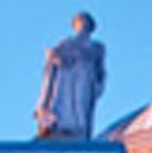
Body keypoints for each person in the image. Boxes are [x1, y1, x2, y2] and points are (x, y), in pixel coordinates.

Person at [35, 11, 106, 140]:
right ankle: (63, 128)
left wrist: (98, 83)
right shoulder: (66, 43)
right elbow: (55, 64)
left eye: (85, 23)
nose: (83, 26)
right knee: (66, 105)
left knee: (81, 107)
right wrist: (54, 57)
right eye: (80, 23)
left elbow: (100, 70)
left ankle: (79, 130)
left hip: (85, 79)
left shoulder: (97, 47)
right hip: (67, 80)